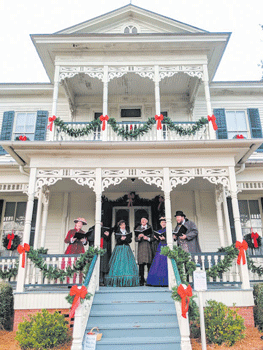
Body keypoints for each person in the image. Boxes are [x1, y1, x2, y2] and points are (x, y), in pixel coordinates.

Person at [105, 220, 139, 287]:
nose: (124, 226)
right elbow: (117, 240)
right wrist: (121, 239)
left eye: (124, 224)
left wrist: (126, 238)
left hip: (126, 248)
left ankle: (128, 281)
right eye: (122, 225)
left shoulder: (127, 231)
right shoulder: (117, 232)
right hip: (119, 248)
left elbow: (130, 240)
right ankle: (118, 280)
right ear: (120, 225)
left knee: (127, 263)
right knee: (118, 263)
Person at [147, 217, 168, 287]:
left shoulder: (168, 230)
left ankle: (165, 281)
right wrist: (156, 238)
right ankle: (156, 281)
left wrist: (165, 238)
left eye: (164, 222)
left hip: (166, 246)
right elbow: (153, 238)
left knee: (165, 262)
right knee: (158, 262)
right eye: (162, 223)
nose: (163, 224)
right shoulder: (159, 231)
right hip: (160, 246)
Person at [135, 217, 153, 286]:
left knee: (149, 264)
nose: (143, 221)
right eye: (142, 220)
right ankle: (141, 281)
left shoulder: (149, 228)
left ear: (147, 221)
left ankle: (149, 280)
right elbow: (135, 239)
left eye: (144, 220)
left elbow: (153, 238)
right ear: (140, 222)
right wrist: (139, 237)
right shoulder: (138, 228)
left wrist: (147, 238)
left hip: (148, 247)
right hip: (141, 248)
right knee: (141, 265)